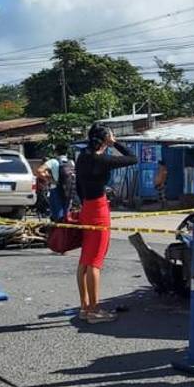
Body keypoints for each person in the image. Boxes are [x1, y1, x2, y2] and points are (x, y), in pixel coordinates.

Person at [74, 125, 138, 323]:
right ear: (104, 139)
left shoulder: (83, 156)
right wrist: (115, 143)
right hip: (98, 209)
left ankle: (85, 307)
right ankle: (94, 310)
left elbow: (78, 186)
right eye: (110, 135)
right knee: (95, 262)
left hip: (86, 206)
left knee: (85, 260)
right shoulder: (102, 159)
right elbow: (132, 158)